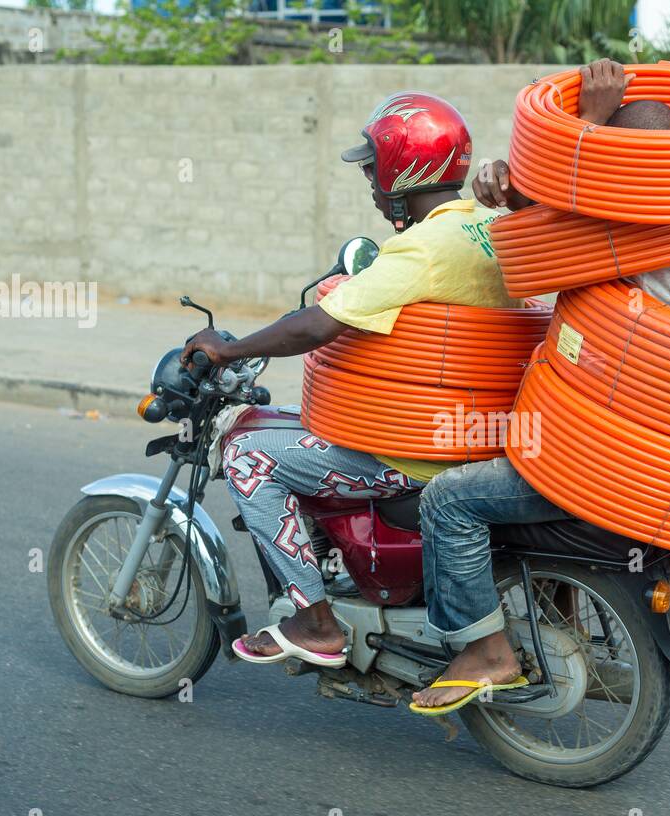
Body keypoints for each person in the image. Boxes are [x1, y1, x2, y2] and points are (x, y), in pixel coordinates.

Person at [411, 60, 670, 711]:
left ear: (636, 169)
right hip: (651, 454)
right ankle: (552, 621)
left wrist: (584, 123)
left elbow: (538, 249)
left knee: (449, 501)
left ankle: (488, 653)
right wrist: (511, 182)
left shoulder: (635, 230)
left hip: (608, 465)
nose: (608, 169)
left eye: (618, 156)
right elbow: (564, 216)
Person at [180, 90, 520, 668]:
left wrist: (227, 350)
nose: (370, 181)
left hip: (413, 455)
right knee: (293, 429)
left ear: (401, 167)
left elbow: (315, 326)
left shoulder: (423, 249)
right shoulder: (488, 226)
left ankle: (315, 623)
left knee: (248, 453)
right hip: (476, 435)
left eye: (372, 167)